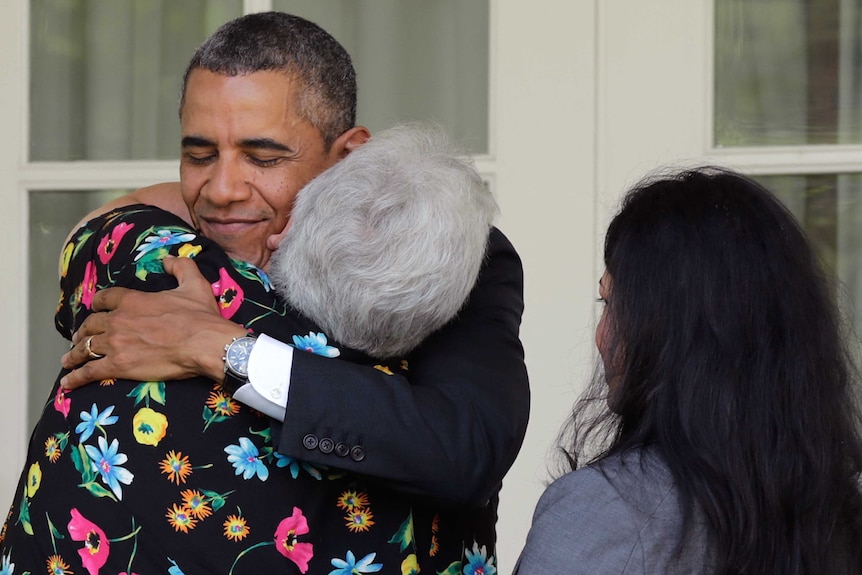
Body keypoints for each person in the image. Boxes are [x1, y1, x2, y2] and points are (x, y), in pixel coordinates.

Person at [1, 11, 529, 574]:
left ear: (348, 158)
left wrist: (217, 348)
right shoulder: (156, 241)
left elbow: (464, 452)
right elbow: (103, 226)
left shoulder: (442, 249)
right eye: (200, 155)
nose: (223, 190)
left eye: (263, 157)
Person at [515, 167, 862, 574]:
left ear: (671, 332)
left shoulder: (609, 513)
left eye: (611, 303)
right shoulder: (833, 509)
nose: (600, 336)